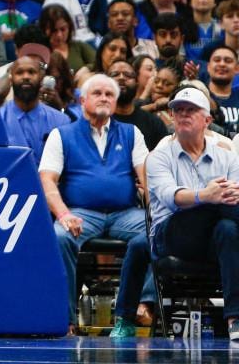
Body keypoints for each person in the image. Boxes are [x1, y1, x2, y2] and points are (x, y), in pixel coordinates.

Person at [37, 74, 150, 336]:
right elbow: (47, 181)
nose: (104, 98)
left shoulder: (131, 133)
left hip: (125, 214)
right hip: (80, 213)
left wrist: (153, 208)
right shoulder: (62, 134)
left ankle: (141, 307)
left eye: (109, 94)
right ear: (82, 100)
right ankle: (65, 319)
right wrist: (63, 214)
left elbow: (147, 177)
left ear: (116, 102)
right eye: (97, 93)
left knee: (156, 232)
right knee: (59, 236)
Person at [146, 84, 239, 342]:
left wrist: (217, 197)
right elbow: (170, 197)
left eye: (191, 110)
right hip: (172, 235)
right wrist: (205, 196)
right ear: (172, 117)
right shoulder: (159, 156)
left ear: (207, 120)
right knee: (219, 206)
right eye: (179, 110)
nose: (183, 114)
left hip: (214, 239)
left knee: (228, 230)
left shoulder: (228, 157)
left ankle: (235, 319)